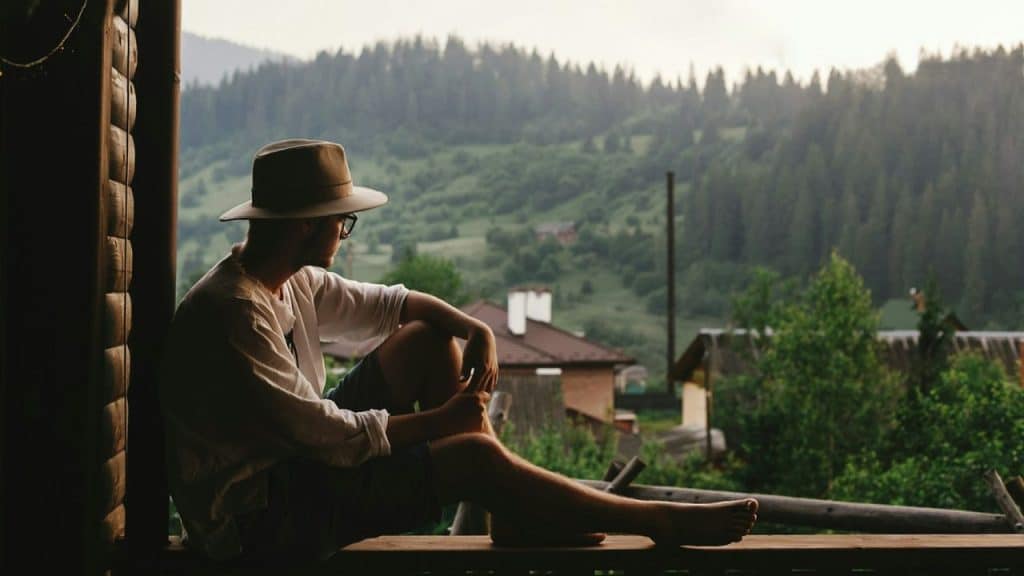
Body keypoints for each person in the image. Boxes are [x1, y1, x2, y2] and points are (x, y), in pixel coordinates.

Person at [160, 139, 757, 564]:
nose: (345, 234)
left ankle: (510, 508)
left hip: (293, 465)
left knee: (428, 340)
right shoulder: (235, 312)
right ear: (306, 226)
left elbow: (396, 306)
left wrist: (476, 329)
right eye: (342, 223)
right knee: (468, 455)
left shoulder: (286, 277)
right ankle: (658, 521)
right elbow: (326, 435)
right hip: (259, 519)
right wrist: (443, 424)